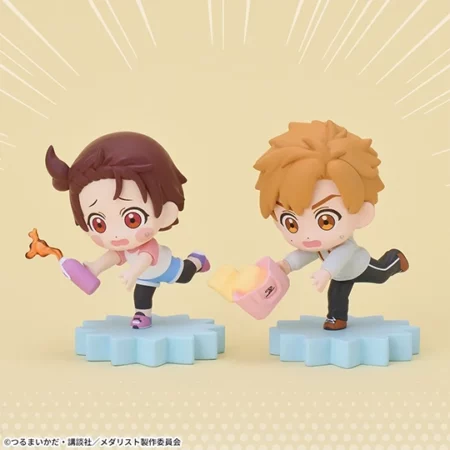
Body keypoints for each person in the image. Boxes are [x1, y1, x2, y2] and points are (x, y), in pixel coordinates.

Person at [254, 120, 409, 330]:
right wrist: (287, 265)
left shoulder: (345, 245)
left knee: (381, 274)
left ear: (362, 214)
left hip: (358, 265)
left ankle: (395, 259)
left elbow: (341, 254)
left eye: (325, 221)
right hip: (340, 275)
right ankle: (337, 318)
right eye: (291, 223)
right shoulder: (316, 244)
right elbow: (306, 253)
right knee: (336, 294)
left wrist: (325, 271)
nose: (308, 236)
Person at [45, 131, 210, 329]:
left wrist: (133, 272)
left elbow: (145, 259)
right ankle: (143, 315)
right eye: (99, 224)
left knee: (186, 275)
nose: (116, 235)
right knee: (141, 295)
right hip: (144, 277)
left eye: (132, 219)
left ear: (167, 212)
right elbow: (113, 256)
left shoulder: (148, 247)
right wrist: (94, 268)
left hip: (166, 268)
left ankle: (197, 260)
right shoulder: (123, 247)